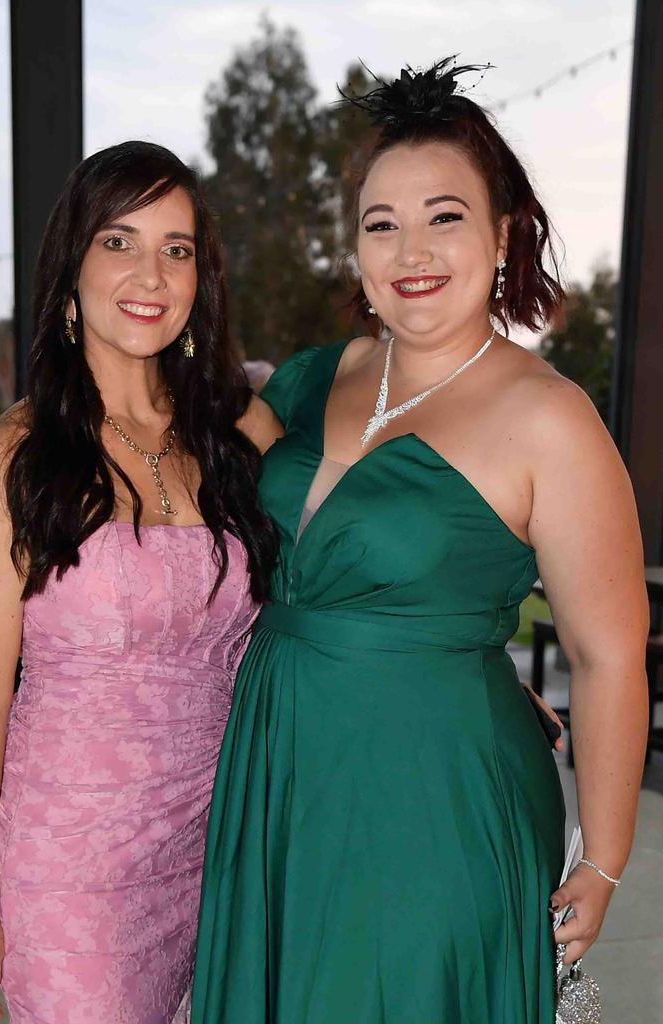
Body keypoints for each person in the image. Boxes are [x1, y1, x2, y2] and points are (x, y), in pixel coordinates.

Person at [191, 59, 649, 1023]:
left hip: (434, 795)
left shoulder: (551, 420)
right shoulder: (316, 378)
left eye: (444, 215)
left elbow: (607, 656)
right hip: (278, 771)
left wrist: (604, 857)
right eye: (380, 223)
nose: (411, 249)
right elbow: (178, 478)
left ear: (504, 231)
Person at [0, 141, 281, 1024]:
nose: (152, 273)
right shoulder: (7, 459)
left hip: (227, 841)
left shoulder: (241, 430)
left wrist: (462, 663)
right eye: (119, 241)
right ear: (73, 268)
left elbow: (337, 584)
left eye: (177, 249)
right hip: (70, 875)